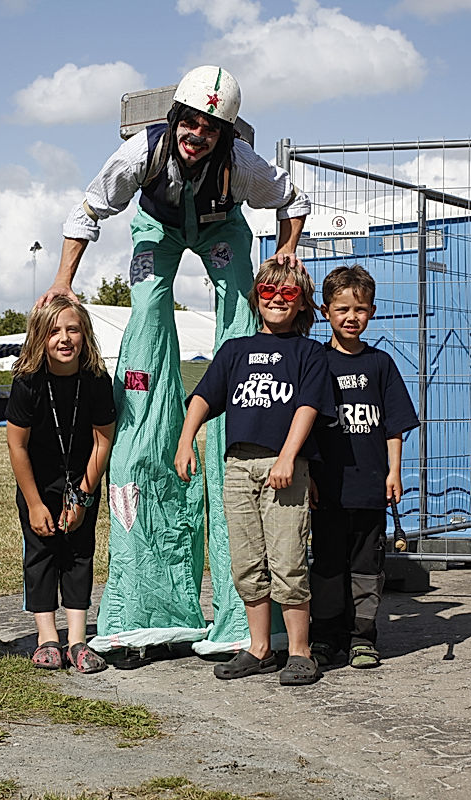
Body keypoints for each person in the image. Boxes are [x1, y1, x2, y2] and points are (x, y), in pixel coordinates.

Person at [38, 66, 311, 660]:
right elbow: (87, 209)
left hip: (219, 231)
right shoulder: (142, 153)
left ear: (224, 132)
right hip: (157, 231)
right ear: (175, 121)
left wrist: (287, 248)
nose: (196, 134)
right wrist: (63, 281)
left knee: (240, 314)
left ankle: (246, 619)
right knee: (149, 311)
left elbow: (294, 199)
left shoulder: (242, 165)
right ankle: (150, 605)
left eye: (209, 127)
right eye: (189, 122)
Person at [174, 258, 328, 685]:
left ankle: (300, 652)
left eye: (288, 294)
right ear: (255, 297)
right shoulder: (235, 350)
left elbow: (307, 408)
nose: (277, 299)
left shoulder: (309, 353)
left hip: (284, 468)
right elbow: (205, 396)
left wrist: (287, 457)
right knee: (246, 563)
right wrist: (187, 439)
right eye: (267, 292)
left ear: (302, 304)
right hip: (238, 467)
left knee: (288, 561)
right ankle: (259, 648)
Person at [309, 265, 419, 670]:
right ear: (325, 311)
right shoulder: (315, 361)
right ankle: (324, 636)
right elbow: (304, 426)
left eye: (359, 309)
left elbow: (394, 426)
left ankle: (362, 637)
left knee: (366, 567)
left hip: (370, 487)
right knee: (326, 566)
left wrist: (394, 472)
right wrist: (309, 477)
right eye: (342, 309)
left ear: (371, 311)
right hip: (328, 487)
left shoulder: (381, 364)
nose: (350, 317)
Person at [6, 297, 117, 674]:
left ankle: (76, 640)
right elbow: (16, 445)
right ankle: (46, 638)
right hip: (38, 481)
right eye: (54, 331)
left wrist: (83, 496)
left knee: (78, 552)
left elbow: (103, 441)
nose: (64, 338)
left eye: (72, 329)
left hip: (82, 478)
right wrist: (35, 503)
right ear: (40, 336)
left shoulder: (97, 379)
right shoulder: (27, 382)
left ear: (85, 334)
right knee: (40, 553)